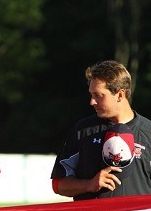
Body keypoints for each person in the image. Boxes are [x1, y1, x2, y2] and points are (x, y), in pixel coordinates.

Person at [51, 60, 151, 200]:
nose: (92, 102)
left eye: (98, 95)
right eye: (91, 95)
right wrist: (88, 185)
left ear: (120, 95)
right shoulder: (82, 130)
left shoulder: (148, 132)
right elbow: (58, 185)